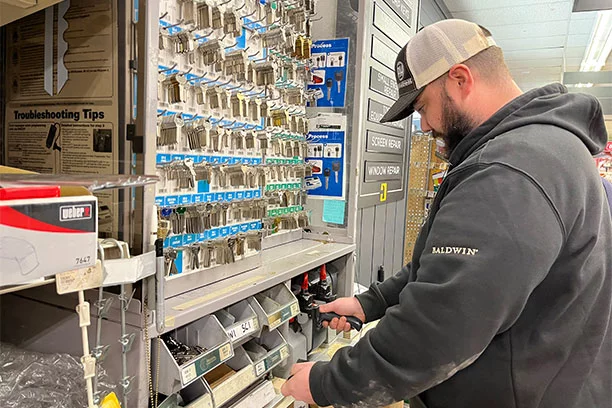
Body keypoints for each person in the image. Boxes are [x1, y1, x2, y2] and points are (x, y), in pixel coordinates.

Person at [281, 19, 612, 408]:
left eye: (423, 107)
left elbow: (440, 329)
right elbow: (452, 273)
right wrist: (371, 302)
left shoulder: (508, 172)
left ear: (460, 79)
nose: (424, 126)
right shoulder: (543, 149)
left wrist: (328, 382)